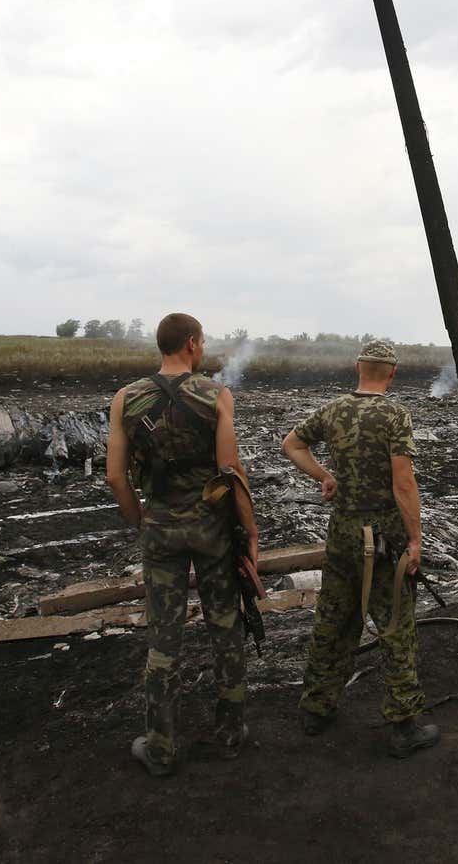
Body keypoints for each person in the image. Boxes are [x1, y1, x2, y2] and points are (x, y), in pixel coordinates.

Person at [106, 312, 260, 776]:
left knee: (164, 636)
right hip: (212, 529)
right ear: (191, 344)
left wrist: (143, 520)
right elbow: (229, 473)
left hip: (160, 526)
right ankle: (230, 733)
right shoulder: (216, 396)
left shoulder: (125, 399)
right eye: (203, 341)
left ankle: (160, 745)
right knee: (225, 626)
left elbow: (115, 475)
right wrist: (250, 533)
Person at [281, 340, 441, 758]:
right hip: (384, 538)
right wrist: (415, 538)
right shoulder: (394, 414)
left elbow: (291, 444)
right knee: (395, 625)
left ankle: (317, 707)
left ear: (358, 367)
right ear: (391, 373)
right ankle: (404, 723)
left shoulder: (333, 410)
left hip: (342, 534)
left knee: (334, 617)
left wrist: (325, 476)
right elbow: (403, 482)